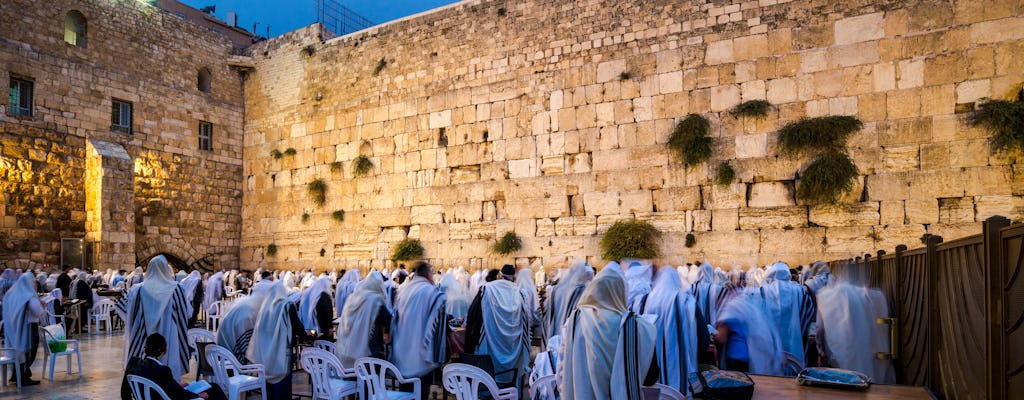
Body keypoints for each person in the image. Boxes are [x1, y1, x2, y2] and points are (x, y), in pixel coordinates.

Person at [562, 267, 658, 400]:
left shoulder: (575, 321)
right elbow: (650, 378)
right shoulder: (639, 327)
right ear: (622, 292)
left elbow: (563, 371)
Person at [637, 266, 707, 392]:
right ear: (677, 280)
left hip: (650, 378)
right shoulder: (687, 303)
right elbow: (704, 342)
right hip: (682, 379)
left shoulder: (641, 302)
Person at [124, 255, 193, 381]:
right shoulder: (177, 289)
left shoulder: (137, 289)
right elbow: (188, 314)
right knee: (169, 366)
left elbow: (129, 315)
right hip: (170, 334)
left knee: (146, 371)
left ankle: (145, 388)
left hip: (143, 335)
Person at [464, 265, 531, 386]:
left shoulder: (486, 289)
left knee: (489, 382)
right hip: (513, 347)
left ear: (500, 275)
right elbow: (526, 321)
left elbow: (473, 316)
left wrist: (469, 345)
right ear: (513, 278)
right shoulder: (521, 293)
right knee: (510, 385)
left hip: (489, 344)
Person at [390, 262, 446, 400]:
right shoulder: (434, 294)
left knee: (405, 393)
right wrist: (439, 359)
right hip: (422, 357)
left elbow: (394, 321)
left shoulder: (403, 291)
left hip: (401, 355)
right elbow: (439, 328)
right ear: (427, 274)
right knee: (420, 393)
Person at [249, 281, 310, 400]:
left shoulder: (265, 307)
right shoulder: (287, 306)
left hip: (266, 353)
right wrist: (307, 337)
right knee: (282, 385)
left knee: (269, 384)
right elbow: (297, 327)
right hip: (282, 353)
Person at [120, 333, 227, 400]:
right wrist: (197, 396)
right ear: (165, 351)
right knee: (214, 388)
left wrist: (177, 386)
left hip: (161, 394)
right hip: (168, 397)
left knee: (210, 387)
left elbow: (124, 393)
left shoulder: (132, 363)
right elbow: (178, 395)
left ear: (145, 350)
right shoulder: (162, 370)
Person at [758, 262, 815, 373]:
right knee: (795, 367)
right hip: (796, 342)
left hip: (770, 343)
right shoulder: (801, 292)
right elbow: (809, 313)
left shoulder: (762, 291)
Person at [715, 293, 784, 375]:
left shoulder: (730, 309)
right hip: (752, 357)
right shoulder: (751, 306)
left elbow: (722, 338)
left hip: (736, 356)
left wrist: (714, 335)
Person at [335, 270, 392, 367]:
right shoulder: (375, 300)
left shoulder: (353, 297)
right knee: (371, 373)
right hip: (370, 346)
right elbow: (387, 320)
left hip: (349, 345)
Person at [3, 272, 43, 385]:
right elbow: (38, 312)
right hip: (29, 328)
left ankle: (16, 375)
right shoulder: (29, 295)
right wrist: (42, 306)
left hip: (15, 328)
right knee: (28, 353)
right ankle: (24, 377)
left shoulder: (13, 294)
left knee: (19, 352)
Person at [216, 280, 271, 363]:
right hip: (232, 361)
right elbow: (246, 348)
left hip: (222, 355)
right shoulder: (247, 314)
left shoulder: (245, 303)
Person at [543, 259, 591, 341]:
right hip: (570, 333)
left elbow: (547, 308)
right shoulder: (580, 291)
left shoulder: (557, 289)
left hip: (555, 330)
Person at [298, 275, 334, 340]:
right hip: (322, 329)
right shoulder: (323, 296)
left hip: (308, 329)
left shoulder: (310, 293)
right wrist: (330, 327)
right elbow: (327, 313)